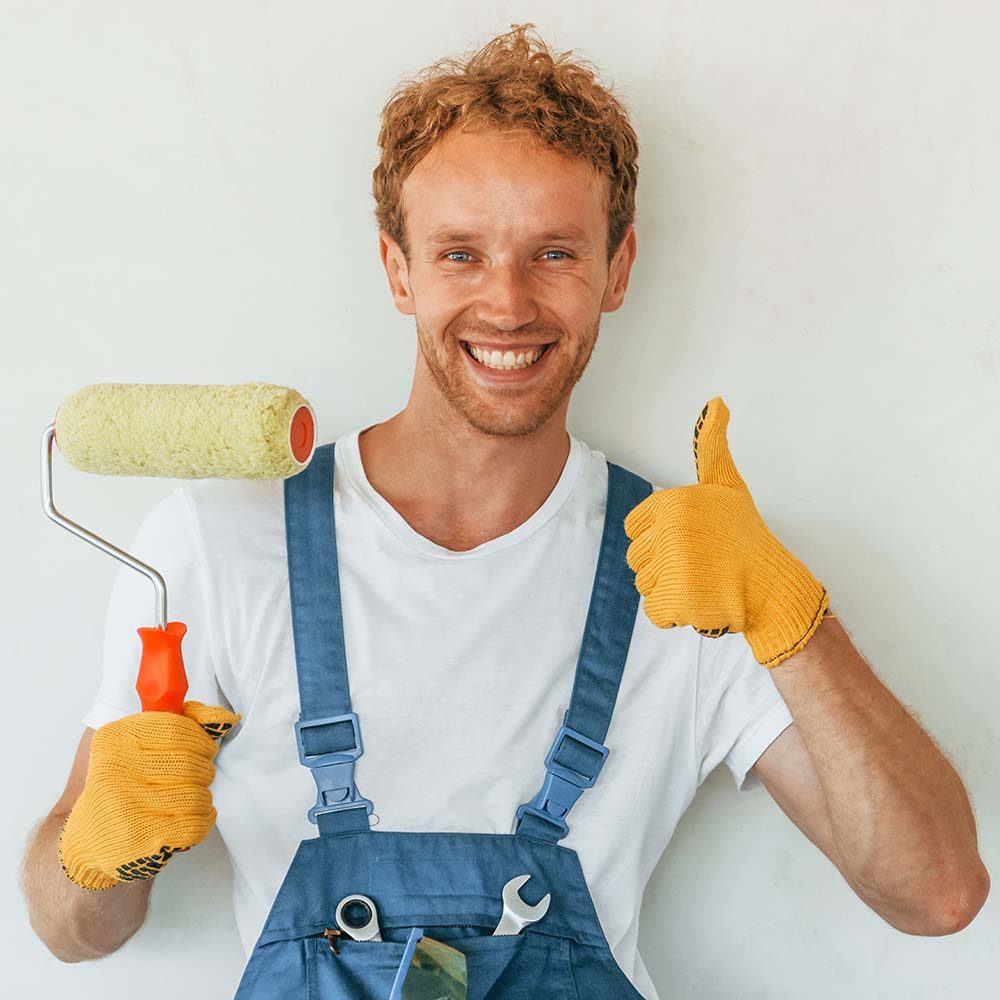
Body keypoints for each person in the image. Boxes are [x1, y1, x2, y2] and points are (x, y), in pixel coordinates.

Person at [20, 23, 989, 998]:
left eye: (554, 253)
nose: (508, 303)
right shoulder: (217, 546)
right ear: (398, 269)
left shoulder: (689, 570)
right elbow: (71, 935)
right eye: (460, 255)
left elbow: (937, 894)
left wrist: (791, 618)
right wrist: (101, 852)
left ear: (617, 268)